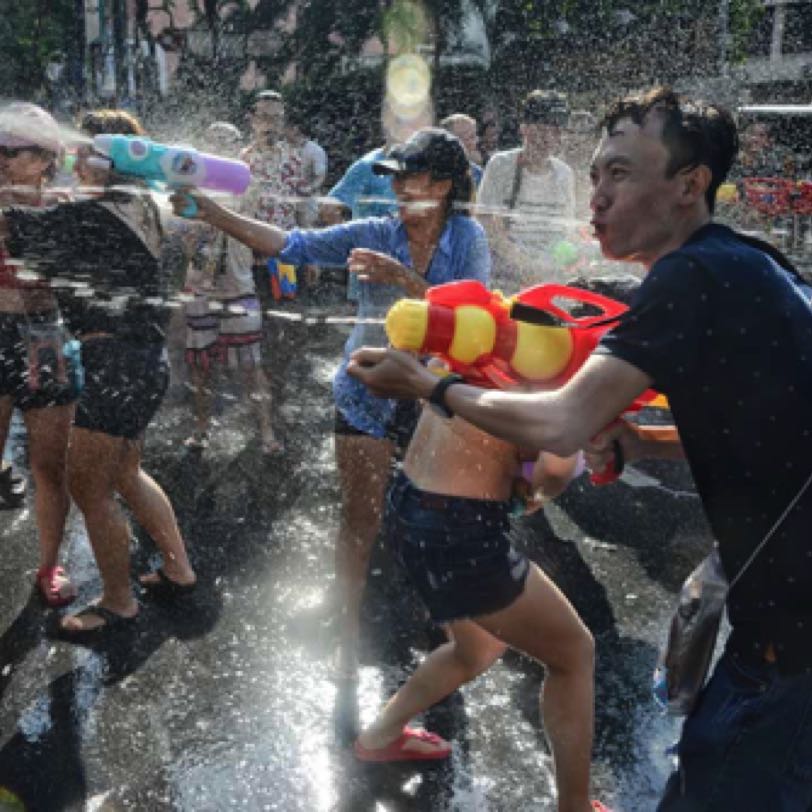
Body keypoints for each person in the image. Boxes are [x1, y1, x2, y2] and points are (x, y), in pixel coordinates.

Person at [348, 86, 812, 811]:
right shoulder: (744, 262)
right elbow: (764, 421)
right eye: (594, 173)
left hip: (790, 644)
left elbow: (561, 426)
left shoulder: (688, 278)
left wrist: (425, 387)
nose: (595, 196)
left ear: (690, 186)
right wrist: (641, 437)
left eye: (621, 174)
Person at [171, 128, 491, 679]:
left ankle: (443, 624)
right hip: (365, 392)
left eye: (406, 178)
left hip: (435, 400)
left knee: (436, 520)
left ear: (440, 186)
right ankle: (346, 630)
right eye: (391, 179)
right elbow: (288, 244)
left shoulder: (468, 239)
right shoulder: (374, 232)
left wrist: (407, 280)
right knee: (359, 518)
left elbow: (476, 321)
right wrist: (214, 214)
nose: (394, 190)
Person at [0, 109, 196, 636]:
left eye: (87, 150)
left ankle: (118, 601)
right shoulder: (137, 205)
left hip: (118, 364)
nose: (75, 158)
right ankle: (179, 569)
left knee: (88, 485)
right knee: (126, 472)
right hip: (136, 360)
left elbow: (20, 232)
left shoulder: (100, 211)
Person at [352, 393, 597, 811]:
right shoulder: (551, 346)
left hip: (410, 499)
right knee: (574, 654)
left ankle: (380, 736)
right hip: (459, 530)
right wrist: (541, 490)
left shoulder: (477, 332)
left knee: (476, 648)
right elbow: (553, 465)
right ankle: (574, 807)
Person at [0, 102, 77, 605]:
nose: (3, 158)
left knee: (49, 466)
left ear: (47, 157)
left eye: (15, 150)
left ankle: (49, 565)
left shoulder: (68, 205)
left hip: (47, 338)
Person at [180, 120, 282, 455]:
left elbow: (257, 219)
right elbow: (179, 233)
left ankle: (266, 432)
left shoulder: (245, 182)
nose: (220, 147)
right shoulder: (188, 182)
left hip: (237, 285)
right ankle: (202, 428)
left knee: (251, 365)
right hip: (199, 286)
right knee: (200, 365)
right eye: (213, 141)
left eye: (228, 142)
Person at [477, 90, 576, 290]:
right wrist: (522, 262)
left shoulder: (564, 174)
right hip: (507, 277)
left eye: (556, 131)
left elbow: (566, 229)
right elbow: (485, 222)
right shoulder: (501, 165)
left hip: (550, 276)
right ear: (524, 128)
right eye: (541, 129)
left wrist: (564, 263)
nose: (548, 138)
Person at [241, 90, 304, 302]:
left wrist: (310, 256)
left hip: (287, 252)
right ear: (252, 120)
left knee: (287, 312)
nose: (271, 125)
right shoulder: (242, 161)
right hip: (253, 255)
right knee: (255, 313)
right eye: (265, 117)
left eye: (277, 118)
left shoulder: (294, 159)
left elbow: (301, 205)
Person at [440, 113, 483, 186]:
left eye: (474, 136)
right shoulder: (431, 172)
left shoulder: (477, 173)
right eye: (471, 136)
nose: (476, 140)